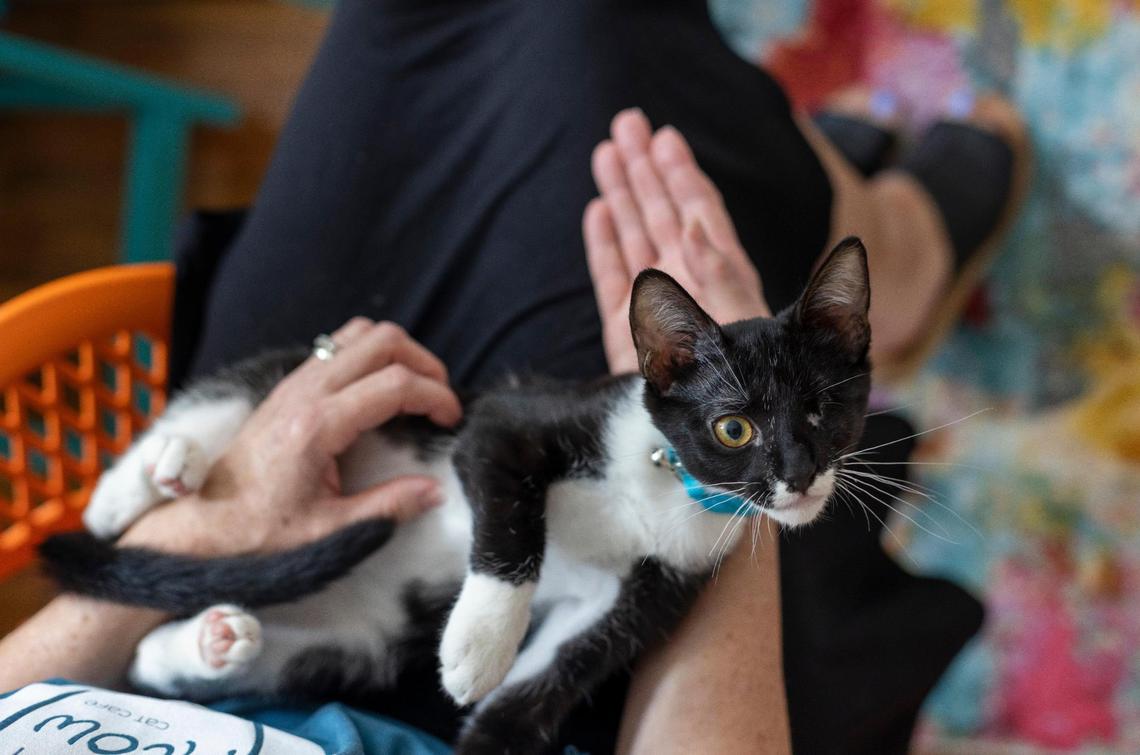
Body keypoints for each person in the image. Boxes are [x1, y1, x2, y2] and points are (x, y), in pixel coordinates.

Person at [0, 0, 1027, 752]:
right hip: (491, 666)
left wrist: (191, 533)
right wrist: (714, 501)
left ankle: (843, 201)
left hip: (236, 562)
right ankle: (905, 242)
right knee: (600, 62)